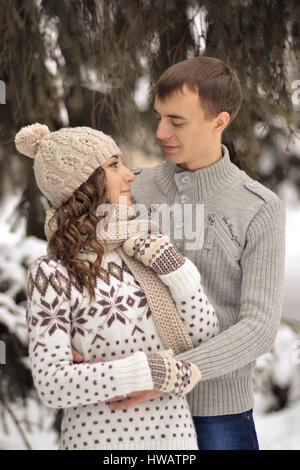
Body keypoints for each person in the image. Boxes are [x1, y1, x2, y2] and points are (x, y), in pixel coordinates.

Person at [95, 56, 286, 450]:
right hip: (131, 415)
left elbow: (258, 328)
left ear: (220, 121)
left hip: (218, 416)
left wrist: (172, 373)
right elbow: (94, 282)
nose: (161, 131)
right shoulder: (132, 191)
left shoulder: (260, 208)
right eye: (159, 116)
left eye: (177, 121)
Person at [15, 123, 219, 450]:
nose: (129, 174)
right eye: (113, 165)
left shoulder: (147, 248)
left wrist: (177, 270)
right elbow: (53, 384)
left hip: (174, 444)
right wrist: (148, 370)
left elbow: (206, 337)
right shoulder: (53, 273)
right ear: (83, 185)